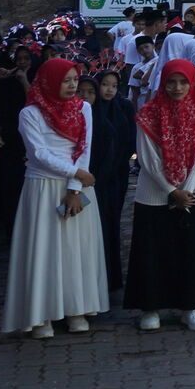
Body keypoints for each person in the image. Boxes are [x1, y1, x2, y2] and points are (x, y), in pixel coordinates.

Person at [2, 58, 106, 339]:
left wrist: (74, 187)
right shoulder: (30, 113)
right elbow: (38, 153)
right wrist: (77, 173)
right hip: (43, 187)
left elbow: (84, 146)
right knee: (45, 250)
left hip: (77, 186)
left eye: (75, 80)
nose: (73, 86)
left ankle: (77, 309)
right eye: (66, 80)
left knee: (75, 249)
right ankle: (41, 314)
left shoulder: (83, 108)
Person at [128, 60, 195, 332]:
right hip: (154, 194)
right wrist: (171, 191)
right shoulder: (149, 113)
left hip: (191, 195)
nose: (177, 88)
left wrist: (185, 190)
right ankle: (150, 307)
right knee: (152, 252)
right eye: (171, 82)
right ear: (163, 83)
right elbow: (147, 158)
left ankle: (189, 307)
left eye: (183, 82)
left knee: (189, 251)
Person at [88, 69, 136, 294]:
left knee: (111, 222)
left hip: (116, 174)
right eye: (105, 85)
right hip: (91, 175)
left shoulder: (123, 107)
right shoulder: (90, 109)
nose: (109, 90)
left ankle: (112, 276)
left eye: (114, 85)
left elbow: (130, 141)